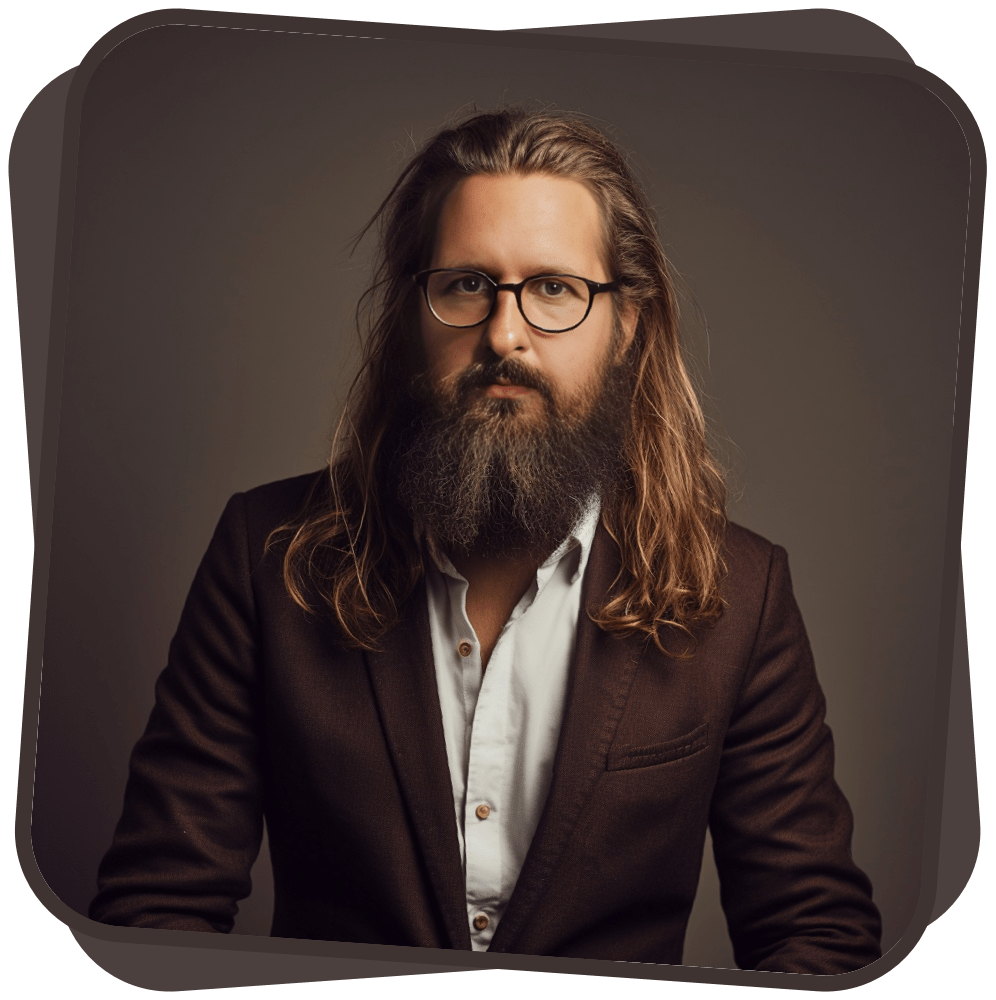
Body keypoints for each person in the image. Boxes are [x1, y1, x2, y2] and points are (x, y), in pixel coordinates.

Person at [90, 108, 882, 974]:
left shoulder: (745, 596)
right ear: (410, 316)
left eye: (554, 289)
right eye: (467, 283)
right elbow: (156, 910)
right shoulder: (266, 555)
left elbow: (818, 937)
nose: (505, 335)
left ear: (628, 327)